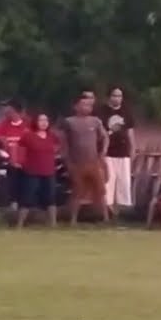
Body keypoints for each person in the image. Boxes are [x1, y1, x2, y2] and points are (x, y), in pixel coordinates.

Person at [60, 94, 109, 225]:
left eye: (89, 105)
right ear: (76, 106)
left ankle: (106, 218)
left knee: (100, 191)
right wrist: (67, 162)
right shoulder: (69, 122)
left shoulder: (96, 121)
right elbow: (64, 143)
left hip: (93, 162)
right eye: (84, 104)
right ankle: (73, 220)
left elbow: (105, 137)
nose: (87, 107)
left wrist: (102, 153)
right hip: (77, 163)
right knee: (77, 191)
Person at [16, 114, 59, 228]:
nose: (44, 123)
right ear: (35, 122)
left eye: (46, 120)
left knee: (51, 198)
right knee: (27, 198)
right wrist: (19, 162)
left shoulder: (52, 136)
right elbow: (19, 149)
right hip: (32, 171)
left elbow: (58, 147)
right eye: (41, 120)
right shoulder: (28, 136)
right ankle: (19, 225)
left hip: (49, 171)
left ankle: (53, 224)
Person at [97, 87, 135, 217]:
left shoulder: (127, 112)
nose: (117, 98)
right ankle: (108, 211)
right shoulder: (102, 112)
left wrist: (132, 149)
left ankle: (122, 212)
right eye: (114, 95)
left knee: (124, 182)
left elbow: (130, 132)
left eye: (119, 96)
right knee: (109, 180)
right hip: (108, 152)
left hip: (123, 152)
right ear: (109, 97)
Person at [0, 100, 28, 210]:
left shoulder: (28, 124)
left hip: (27, 162)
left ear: (17, 112)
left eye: (10, 111)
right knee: (13, 185)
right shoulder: (4, 124)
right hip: (12, 162)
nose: (7, 113)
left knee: (26, 186)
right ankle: (13, 209)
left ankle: (27, 210)